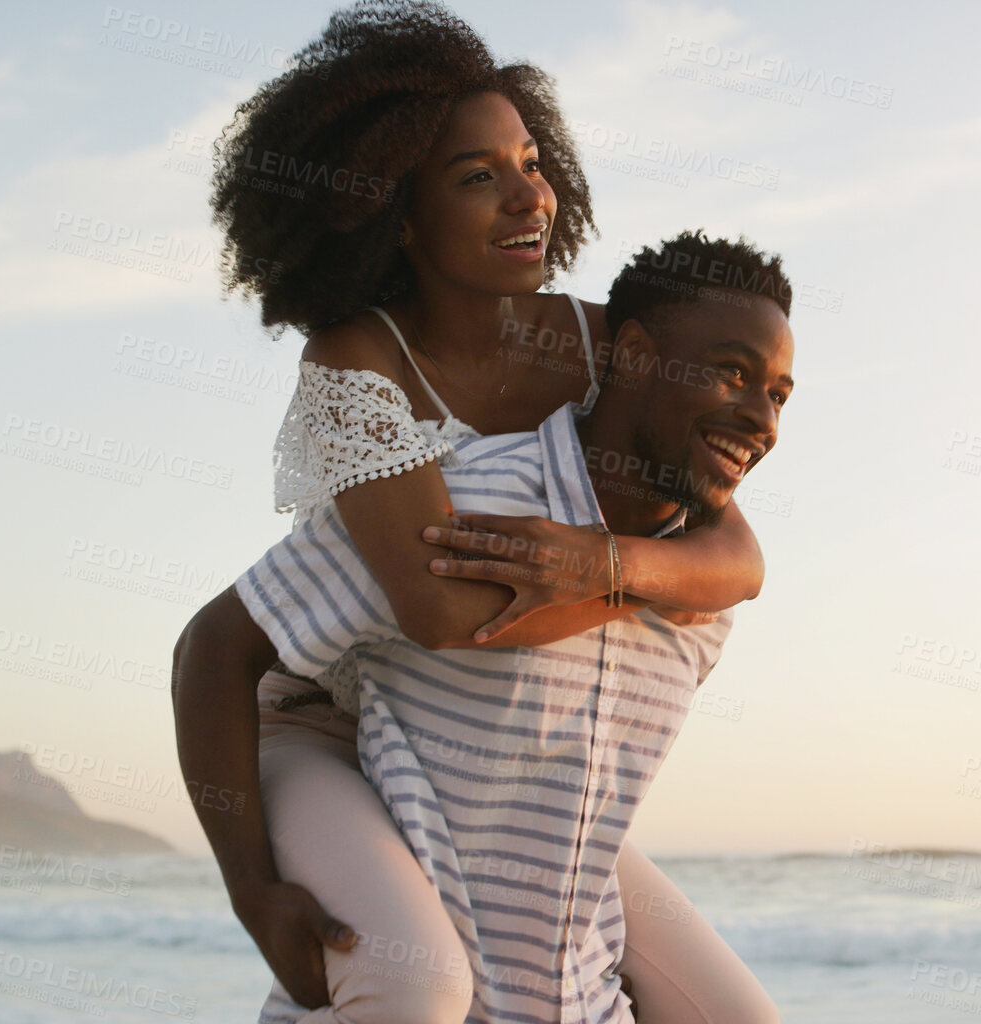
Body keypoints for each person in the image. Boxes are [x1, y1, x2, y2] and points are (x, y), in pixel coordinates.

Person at [181, 2, 777, 1018]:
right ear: (394, 213)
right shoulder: (357, 362)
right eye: (477, 177)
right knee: (418, 983)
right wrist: (251, 889)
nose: (525, 199)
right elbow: (441, 612)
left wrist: (612, 568)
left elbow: (732, 551)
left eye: (533, 163)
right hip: (326, 724)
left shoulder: (602, 345)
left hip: (477, 753)